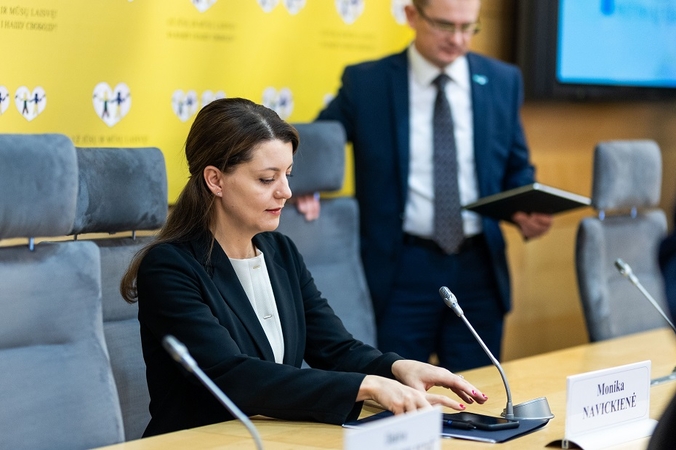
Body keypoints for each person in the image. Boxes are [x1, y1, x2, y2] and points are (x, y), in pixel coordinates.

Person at [120, 98, 488, 437]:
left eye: (288, 175)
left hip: (272, 438)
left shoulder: (280, 251)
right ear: (215, 179)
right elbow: (232, 376)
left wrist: (396, 369)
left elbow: (335, 348)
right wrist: (369, 386)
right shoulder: (169, 267)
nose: (285, 192)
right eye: (267, 179)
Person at [316, 0, 552, 372]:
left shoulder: (502, 80)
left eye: (468, 27)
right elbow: (317, 146)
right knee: (399, 389)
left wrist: (525, 209)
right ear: (412, 15)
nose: (457, 39)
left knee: (481, 390)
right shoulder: (367, 83)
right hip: (400, 268)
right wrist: (304, 186)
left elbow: (515, 168)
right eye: (444, 25)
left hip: (478, 269)